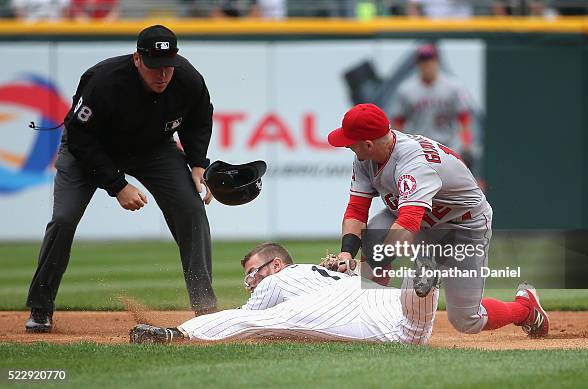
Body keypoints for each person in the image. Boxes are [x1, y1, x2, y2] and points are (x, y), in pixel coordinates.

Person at [25, 25, 217, 333]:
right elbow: (80, 138)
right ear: (137, 59)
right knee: (63, 218)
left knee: (191, 209)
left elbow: (199, 118)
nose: (162, 75)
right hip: (89, 150)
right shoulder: (104, 81)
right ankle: (41, 306)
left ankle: (206, 309)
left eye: (167, 66)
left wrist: (197, 165)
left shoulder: (187, 78)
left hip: (152, 149)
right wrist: (117, 185)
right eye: (154, 66)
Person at [325, 103, 549, 338]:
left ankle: (525, 308)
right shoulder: (365, 158)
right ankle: (375, 315)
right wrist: (346, 254)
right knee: (376, 232)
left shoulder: (414, 163)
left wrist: (370, 264)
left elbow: (408, 225)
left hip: (462, 225)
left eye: (350, 141)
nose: (347, 145)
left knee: (467, 320)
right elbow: (356, 209)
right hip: (419, 217)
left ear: (368, 144)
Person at [129, 242, 439, 345]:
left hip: (333, 307)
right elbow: (368, 274)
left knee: (252, 322)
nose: (252, 280)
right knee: (413, 329)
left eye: (254, 272)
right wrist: (350, 266)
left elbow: (244, 317)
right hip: (372, 295)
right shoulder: (318, 270)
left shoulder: (276, 280)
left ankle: (175, 334)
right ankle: (421, 279)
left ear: (276, 264)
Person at [393, 44, 474, 165]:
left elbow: (464, 118)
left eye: (430, 61)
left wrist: (467, 144)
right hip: (419, 149)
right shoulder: (406, 90)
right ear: (418, 65)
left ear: (437, 62)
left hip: (449, 148)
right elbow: (399, 123)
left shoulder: (453, 87)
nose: (427, 65)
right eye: (423, 61)